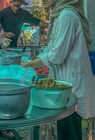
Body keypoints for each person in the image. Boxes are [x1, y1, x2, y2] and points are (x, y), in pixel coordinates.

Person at [22, 0, 95, 140]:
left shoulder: (67, 16)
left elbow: (57, 55)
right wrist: (33, 62)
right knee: (66, 128)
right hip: (65, 84)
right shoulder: (60, 14)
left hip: (71, 83)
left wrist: (28, 65)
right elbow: (51, 48)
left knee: (69, 130)